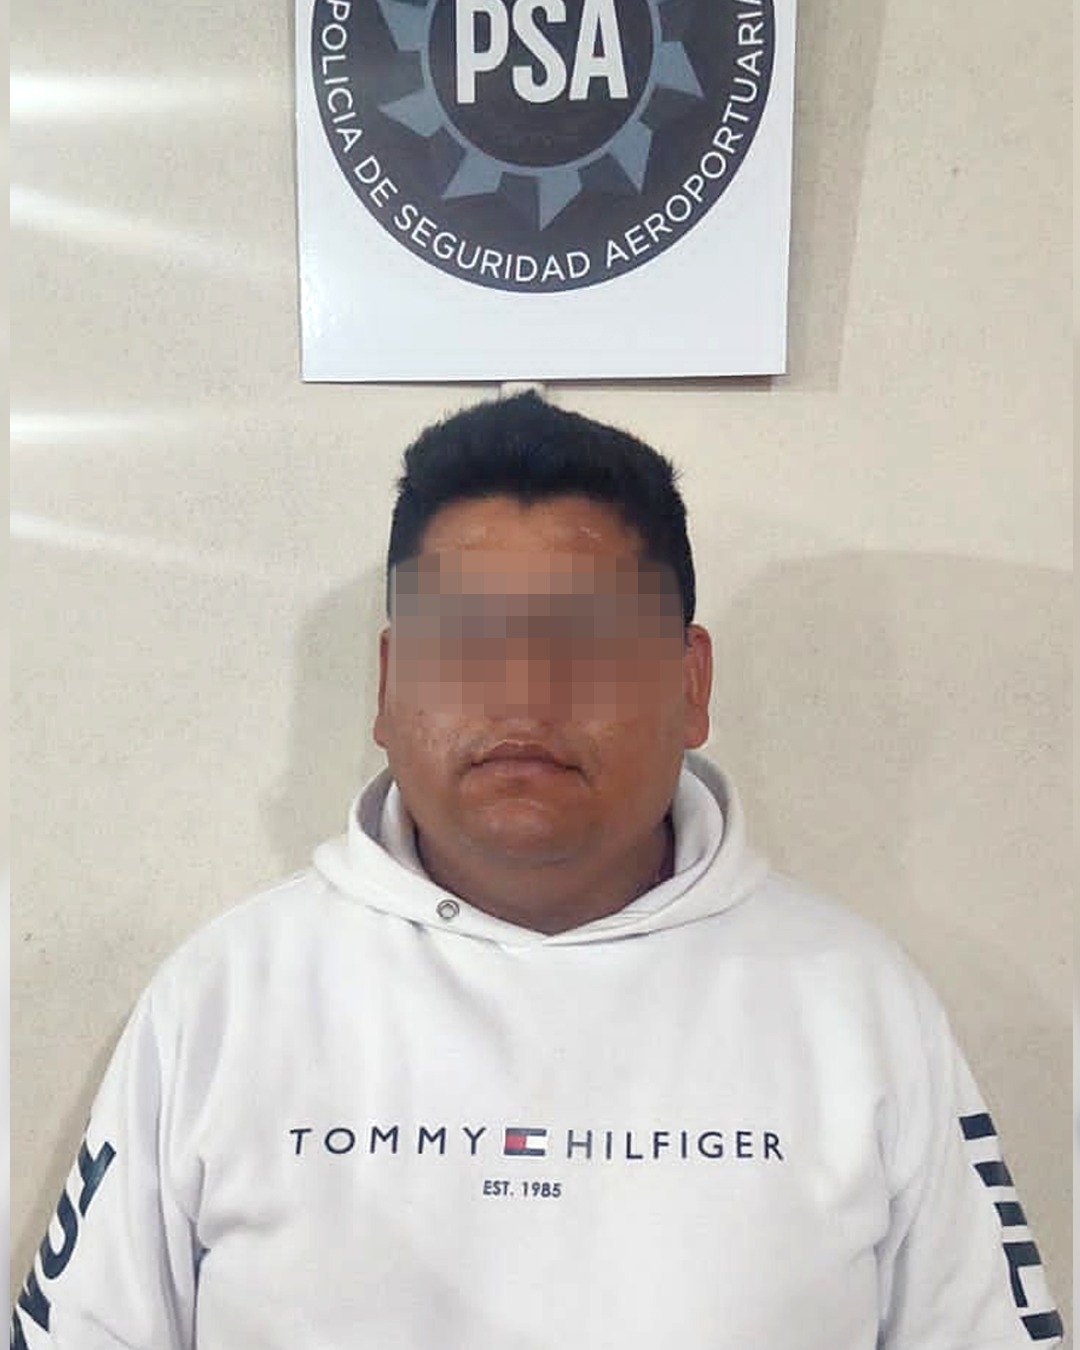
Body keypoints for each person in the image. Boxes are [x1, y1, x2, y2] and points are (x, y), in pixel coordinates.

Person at [13, 393, 1063, 1348]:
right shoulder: (224, 999)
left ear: (692, 683)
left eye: (587, 636)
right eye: (463, 636)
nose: (523, 689)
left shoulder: (860, 1008)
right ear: (387, 684)